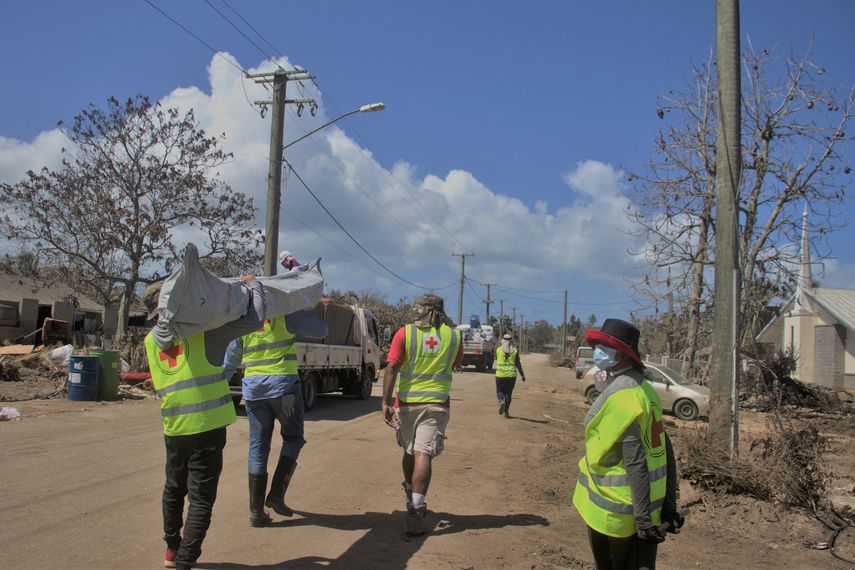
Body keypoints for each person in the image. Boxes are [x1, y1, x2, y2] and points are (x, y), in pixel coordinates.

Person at [143, 275, 265, 570]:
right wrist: (254, 286)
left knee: (173, 489)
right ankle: (185, 561)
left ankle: (172, 551)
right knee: (200, 498)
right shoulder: (205, 333)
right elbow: (256, 319)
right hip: (207, 427)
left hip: (174, 426)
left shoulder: (149, 341)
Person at [571, 318, 682, 570]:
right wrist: (668, 506)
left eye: (604, 346)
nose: (597, 350)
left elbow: (636, 462)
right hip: (644, 508)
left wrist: (643, 521)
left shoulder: (623, 398)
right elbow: (665, 448)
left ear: (622, 356)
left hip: (617, 512)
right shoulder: (645, 390)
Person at [222, 304, 328, 527]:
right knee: (293, 438)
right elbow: (322, 330)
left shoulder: (243, 318)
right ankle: (276, 495)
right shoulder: (285, 314)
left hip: (253, 392)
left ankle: (256, 512)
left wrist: (217, 389)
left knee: (258, 448)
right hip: (284, 390)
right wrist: (304, 307)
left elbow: (230, 361)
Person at [381, 294, 463, 537]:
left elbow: (392, 366)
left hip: (407, 403)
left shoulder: (404, 333)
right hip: (437, 404)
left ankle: (414, 502)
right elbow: (455, 365)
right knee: (420, 452)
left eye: (421, 306)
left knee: (414, 451)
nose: (417, 309)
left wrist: (385, 401)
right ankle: (415, 501)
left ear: (429, 310)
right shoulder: (454, 336)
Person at [495, 332, 526, 418]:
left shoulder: (498, 350)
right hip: (511, 376)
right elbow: (518, 364)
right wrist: (522, 375)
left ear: (502, 340)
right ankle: (506, 412)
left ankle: (501, 400)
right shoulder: (515, 350)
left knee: (499, 391)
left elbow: (497, 359)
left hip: (500, 375)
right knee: (508, 393)